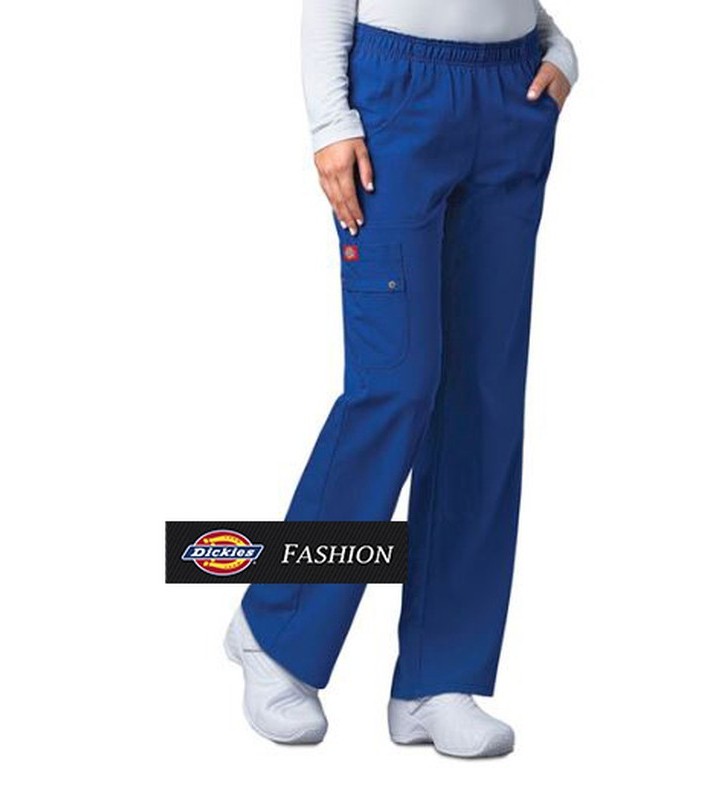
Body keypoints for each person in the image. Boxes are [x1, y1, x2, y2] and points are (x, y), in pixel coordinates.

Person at [224, 0, 578, 758]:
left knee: (483, 397)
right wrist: (330, 120)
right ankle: (274, 631)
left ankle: (436, 679)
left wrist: (557, 46)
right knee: (397, 384)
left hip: (511, 94)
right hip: (396, 96)